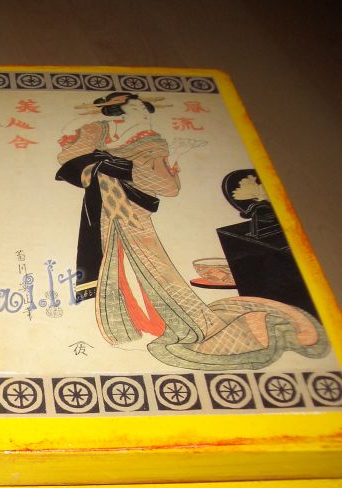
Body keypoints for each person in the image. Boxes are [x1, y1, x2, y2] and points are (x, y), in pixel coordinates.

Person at [55, 92, 327, 370]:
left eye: (144, 107)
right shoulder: (98, 131)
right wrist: (104, 162)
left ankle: (164, 323)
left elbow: (167, 187)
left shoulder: (151, 141)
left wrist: (125, 167)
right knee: (113, 261)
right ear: (118, 110)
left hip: (132, 211)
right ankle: (130, 323)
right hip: (105, 207)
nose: (144, 111)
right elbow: (69, 157)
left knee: (150, 265)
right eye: (136, 107)